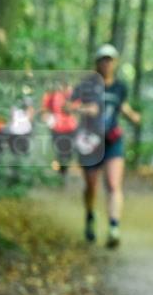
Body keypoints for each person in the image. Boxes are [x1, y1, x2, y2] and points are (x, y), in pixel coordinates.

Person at [72, 44, 141, 248]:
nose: (106, 63)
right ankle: (90, 216)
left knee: (113, 184)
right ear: (97, 62)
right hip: (89, 142)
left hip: (112, 140)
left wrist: (133, 116)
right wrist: (86, 109)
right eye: (103, 59)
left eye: (110, 60)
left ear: (115, 62)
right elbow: (68, 106)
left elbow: (122, 106)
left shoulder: (120, 87)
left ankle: (114, 228)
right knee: (91, 185)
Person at [41, 80, 78, 176]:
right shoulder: (53, 95)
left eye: (67, 86)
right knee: (59, 152)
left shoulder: (74, 95)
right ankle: (60, 172)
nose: (64, 88)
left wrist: (71, 107)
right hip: (57, 129)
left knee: (69, 152)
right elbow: (45, 107)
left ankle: (63, 170)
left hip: (71, 128)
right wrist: (46, 117)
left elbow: (77, 106)